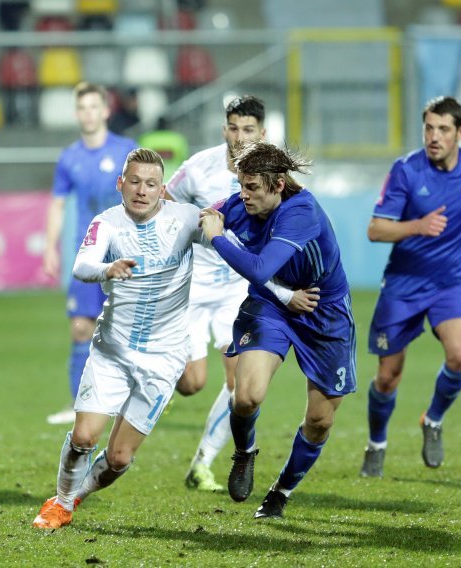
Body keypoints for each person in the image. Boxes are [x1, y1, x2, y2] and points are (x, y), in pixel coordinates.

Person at [32, 148, 299, 529]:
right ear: (120, 184)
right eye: (135, 182)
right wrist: (109, 268)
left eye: (151, 184)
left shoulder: (187, 219)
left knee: (120, 458)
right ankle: (60, 503)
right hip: (113, 350)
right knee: (84, 437)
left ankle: (74, 496)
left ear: (163, 189)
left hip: (164, 358)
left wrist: (286, 294)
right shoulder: (106, 223)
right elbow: (81, 266)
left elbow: (240, 250)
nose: (142, 191)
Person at [360, 95, 461, 478]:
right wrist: (417, 225)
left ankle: (432, 419)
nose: (434, 136)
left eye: (443, 129)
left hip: (450, 282)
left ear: (460, 132)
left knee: (460, 354)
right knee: (387, 377)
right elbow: (375, 229)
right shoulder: (406, 171)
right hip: (403, 284)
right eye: (429, 128)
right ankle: (376, 443)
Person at [199, 141, 354, 519]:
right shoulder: (241, 204)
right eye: (240, 184)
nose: (243, 194)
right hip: (273, 305)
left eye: (252, 187)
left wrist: (217, 236)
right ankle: (244, 452)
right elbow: (204, 217)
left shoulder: (301, 213)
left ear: (279, 184)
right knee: (247, 396)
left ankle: (280, 492)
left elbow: (258, 268)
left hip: (323, 311)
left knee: (319, 421)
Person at [164, 95, 266, 492]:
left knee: (240, 385)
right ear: (224, 129)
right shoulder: (198, 169)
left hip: (237, 291)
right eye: (234, 128)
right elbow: (165, 204)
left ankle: (202, 464)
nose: (240, 137)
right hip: (192, 287)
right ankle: (161, 374)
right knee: (192, 384)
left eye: (249, 130)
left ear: (262, 133)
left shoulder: (271, 173)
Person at [42, 82, 138, 425]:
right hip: (88, 257)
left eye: (94, 107)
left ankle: (132, 401)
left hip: (126, 255)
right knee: (81, 329)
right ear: (77, 113)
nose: (88, 113)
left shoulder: (127, 150)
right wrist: (51, 246)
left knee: (126, 331)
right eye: (82, 108)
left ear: (106, 110)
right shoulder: (70, 158)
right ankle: (78, 404)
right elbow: (57, 205)